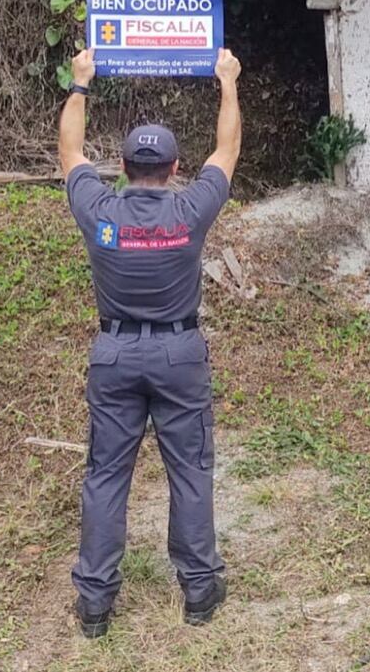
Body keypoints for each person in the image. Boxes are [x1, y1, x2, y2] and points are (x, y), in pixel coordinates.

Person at [56, 46, 243, 638]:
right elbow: (229, 150)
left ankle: (95, 603)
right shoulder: (189, 210)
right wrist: (228, 84)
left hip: (113, 355)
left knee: (106, 476)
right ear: (174, 166)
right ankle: (198, 591)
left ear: (123, 166)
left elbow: (68, 153)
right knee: (190, 471)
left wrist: (81, 84)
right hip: (179, 355)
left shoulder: (101, 212)